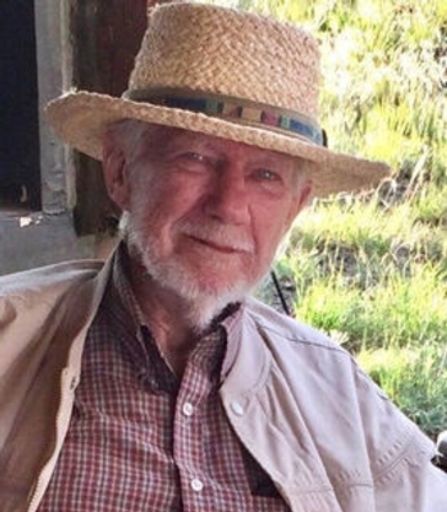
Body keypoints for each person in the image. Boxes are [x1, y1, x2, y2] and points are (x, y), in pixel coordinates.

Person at [0, 2, 446, 511]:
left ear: (295, 208)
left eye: (265, 176)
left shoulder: (336, 389)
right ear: (121, 172)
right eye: (196, 158)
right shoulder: (10, 336)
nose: (228, 206)